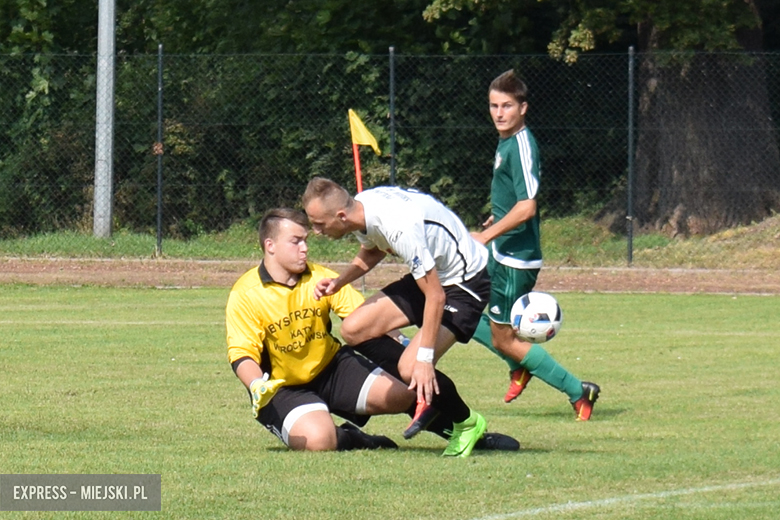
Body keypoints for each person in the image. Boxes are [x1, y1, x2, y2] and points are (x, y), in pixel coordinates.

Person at [226, 207, 518, 456]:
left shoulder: (320, 277)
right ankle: (354, 438)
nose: (305, 247)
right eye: (296, 241)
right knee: (319, 441)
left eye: (305, 240)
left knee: (406, 391)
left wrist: (405, 349)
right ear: (270, 245)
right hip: (281, 387)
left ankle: (465, 434)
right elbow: (241, 354)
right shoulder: (246, 293)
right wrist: (257, 387)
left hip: (331, 368)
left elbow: (363, 319)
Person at [302, 178, 493, 457]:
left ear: (341, 216)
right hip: (434, 276)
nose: (316, 232)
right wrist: (339, 282)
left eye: (319, 224)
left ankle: (467, 423)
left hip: (465, 284)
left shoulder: (399, 226)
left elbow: (436, 297)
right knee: (354, 329)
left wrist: (425, 360)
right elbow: (374, 248)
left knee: (412, 367)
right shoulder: (362, 207)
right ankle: (419, 384)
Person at [469, 69, 601, 420]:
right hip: (502, 249)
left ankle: (578, 390)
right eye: (494, 105)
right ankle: (518, 363)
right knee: (463, 313)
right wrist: (496, 220)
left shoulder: (523, 145)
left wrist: (485, 236)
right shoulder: (506, 141)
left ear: (523, 108)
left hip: (515, 259)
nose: (499, 113)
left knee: (503, 338)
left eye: (507, 106)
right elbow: (514, 199)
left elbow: (528, 206)